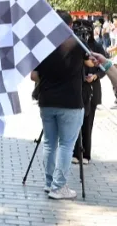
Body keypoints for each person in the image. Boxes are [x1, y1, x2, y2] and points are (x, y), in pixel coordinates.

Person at [30, 11, 89, 200]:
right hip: (70, 103)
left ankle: (49, 183)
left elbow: (33, 76)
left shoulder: (43, 45)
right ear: (70, 25)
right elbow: (91, 61)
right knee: (66, 145)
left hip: (47, 102)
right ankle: (59, 186)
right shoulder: (77, 44)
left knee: (49, 144)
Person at [73, 27, 106, 165]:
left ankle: (86, 153)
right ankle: (75, 153)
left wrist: (95, 76)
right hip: (77, 89)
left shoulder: (97, 46)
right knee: (75, 123)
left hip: (92, 89)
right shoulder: (74, 45)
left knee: (88, 123)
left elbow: (104, 67)